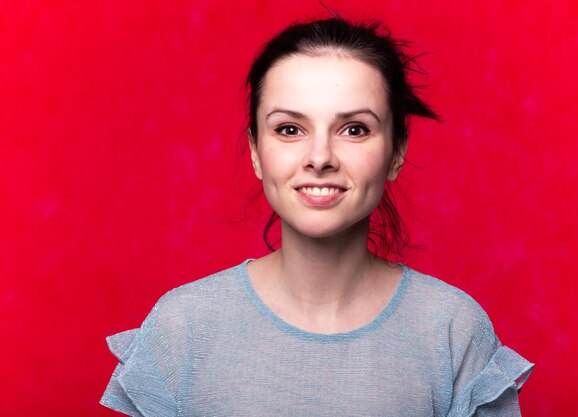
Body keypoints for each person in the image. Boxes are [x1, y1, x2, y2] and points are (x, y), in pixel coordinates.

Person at [101, 17, 533, 417]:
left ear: (397, 150)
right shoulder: (183, 328)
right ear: (256, 151)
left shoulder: (453, 331)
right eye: (290, 129)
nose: (320, 158)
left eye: (354, 129)